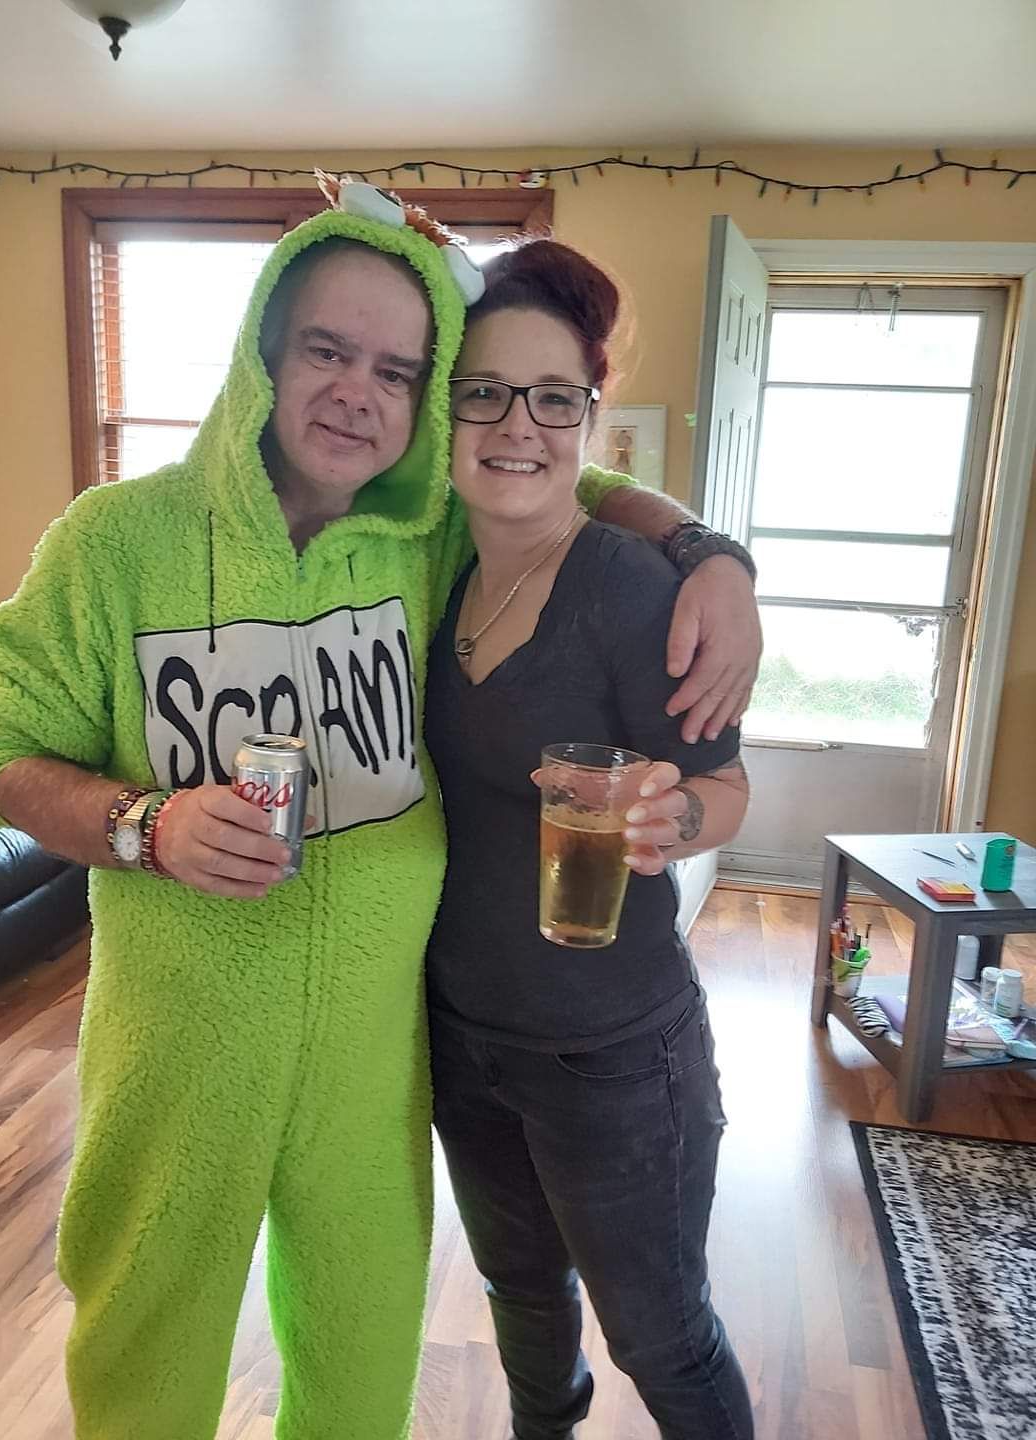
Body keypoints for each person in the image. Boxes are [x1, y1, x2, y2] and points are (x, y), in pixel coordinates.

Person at [0, 182, 759, 1440]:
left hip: (379, 1054)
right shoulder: (114, 542)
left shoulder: (424, 536)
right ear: (262, 358)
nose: (358, 393)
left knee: (366, 1347)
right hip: (180, 1052)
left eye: (396, 370)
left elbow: (559, 478)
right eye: (329, 352)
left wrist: (713, 552)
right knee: (144, 1339)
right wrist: (142, 824)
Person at [425, 238, 755, 1440]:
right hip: (460, 1040)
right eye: (484, 392)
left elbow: (727, 787)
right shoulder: (426, 566)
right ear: (443, 411)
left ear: (589, 416)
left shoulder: (632, 591)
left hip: (617, 1059)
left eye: (554, 397)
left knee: (662, 1338)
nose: (518, 425)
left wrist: (677, 815)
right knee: (520, 1293)